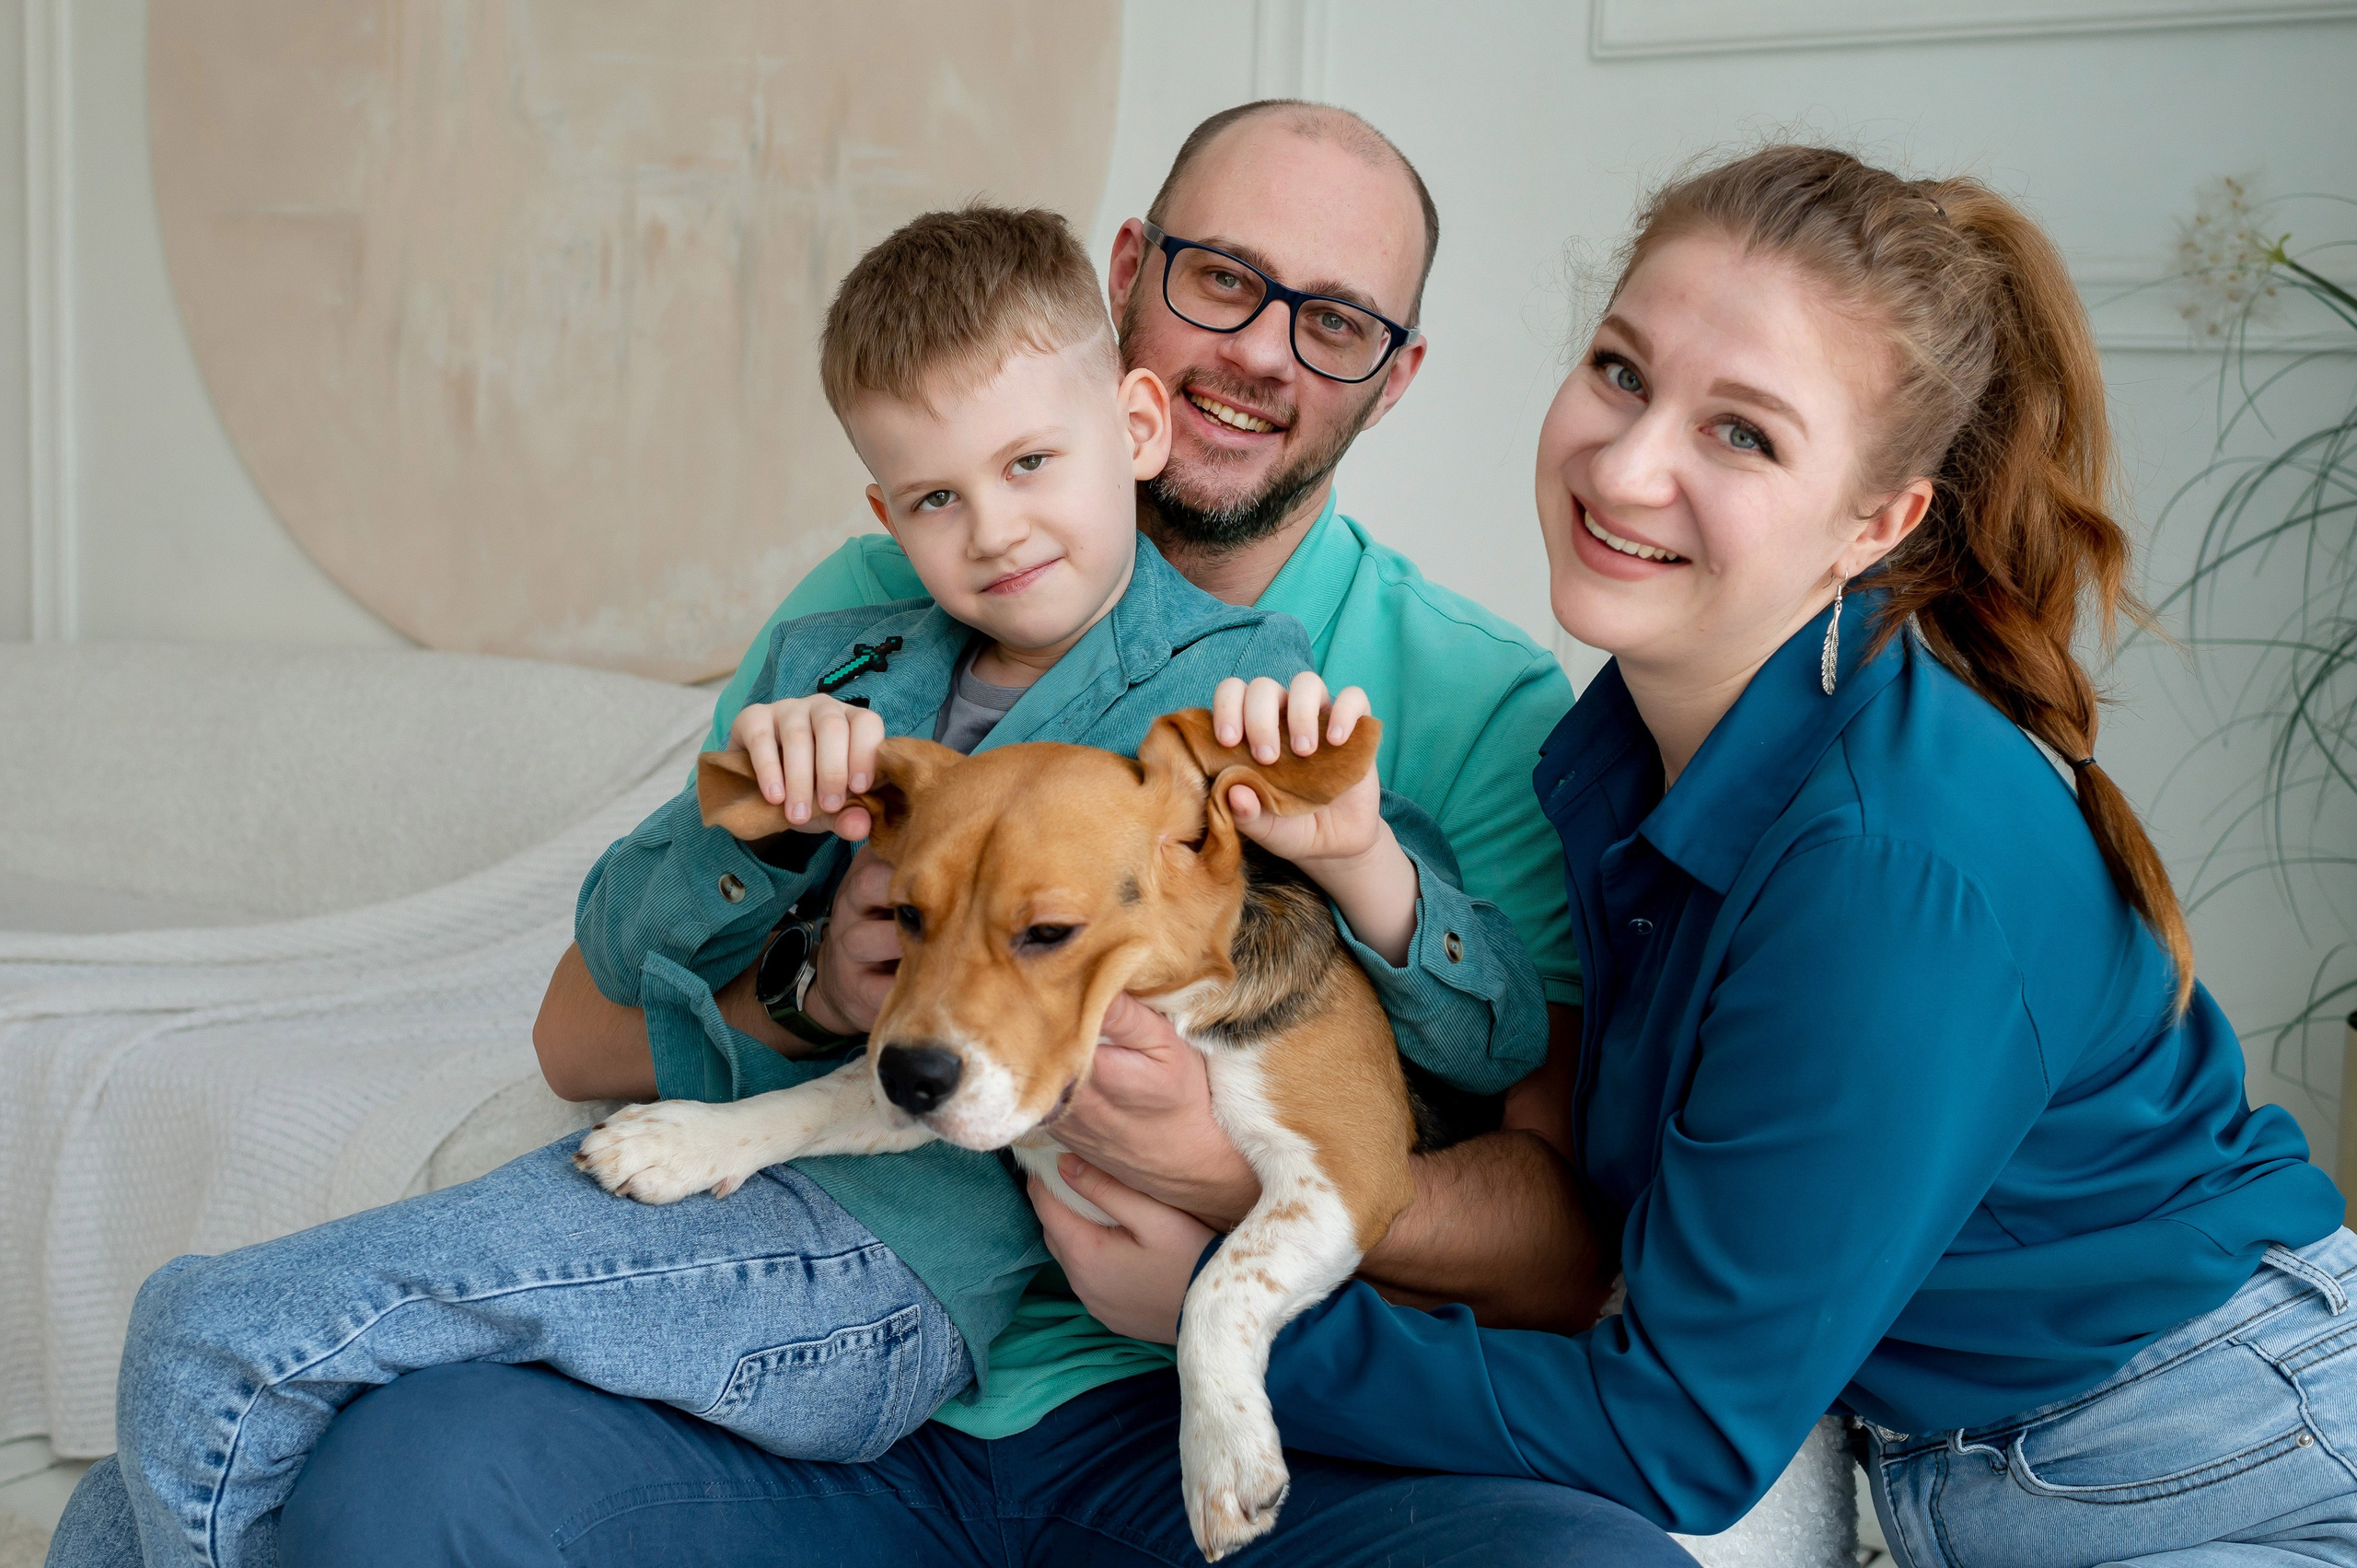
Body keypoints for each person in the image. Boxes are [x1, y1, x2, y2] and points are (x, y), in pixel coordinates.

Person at [40, 202, 1620, 1568]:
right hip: (834, 1271)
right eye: (1222, 277)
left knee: (213, 1356)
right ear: (1138, 278)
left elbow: (1527, 1147)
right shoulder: (857, 642)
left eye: (1332, 318)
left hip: (976, 1303)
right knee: (315, 1437)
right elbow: (587, 1011)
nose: (992, 528)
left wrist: (1344, 868)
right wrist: (780, 892)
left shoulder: (1327, 700)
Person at [1043, 144, 2357, 1563]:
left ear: (1880, 521)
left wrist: (1228, 1320)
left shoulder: (1883, 865)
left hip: (2231, 1463)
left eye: (1743, 433)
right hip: (1983, 1473)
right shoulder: (1635, 739)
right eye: (1621, 370)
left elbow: (1681, 1435)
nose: (1627, 464)